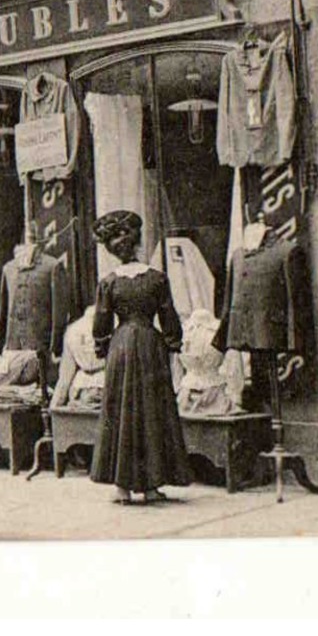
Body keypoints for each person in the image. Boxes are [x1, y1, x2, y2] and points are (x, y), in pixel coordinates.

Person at [89, 210, 193, 504]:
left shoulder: (108, 283)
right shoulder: (157, 278)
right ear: (137, 245)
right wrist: (173, 345)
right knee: (150, 411)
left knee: (122, 411)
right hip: (150, 345)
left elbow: (101, 324)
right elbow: (169, 317)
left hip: (121, 347)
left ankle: (122, 487)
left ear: (113, 251)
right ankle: (150, 486)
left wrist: (102, 348)